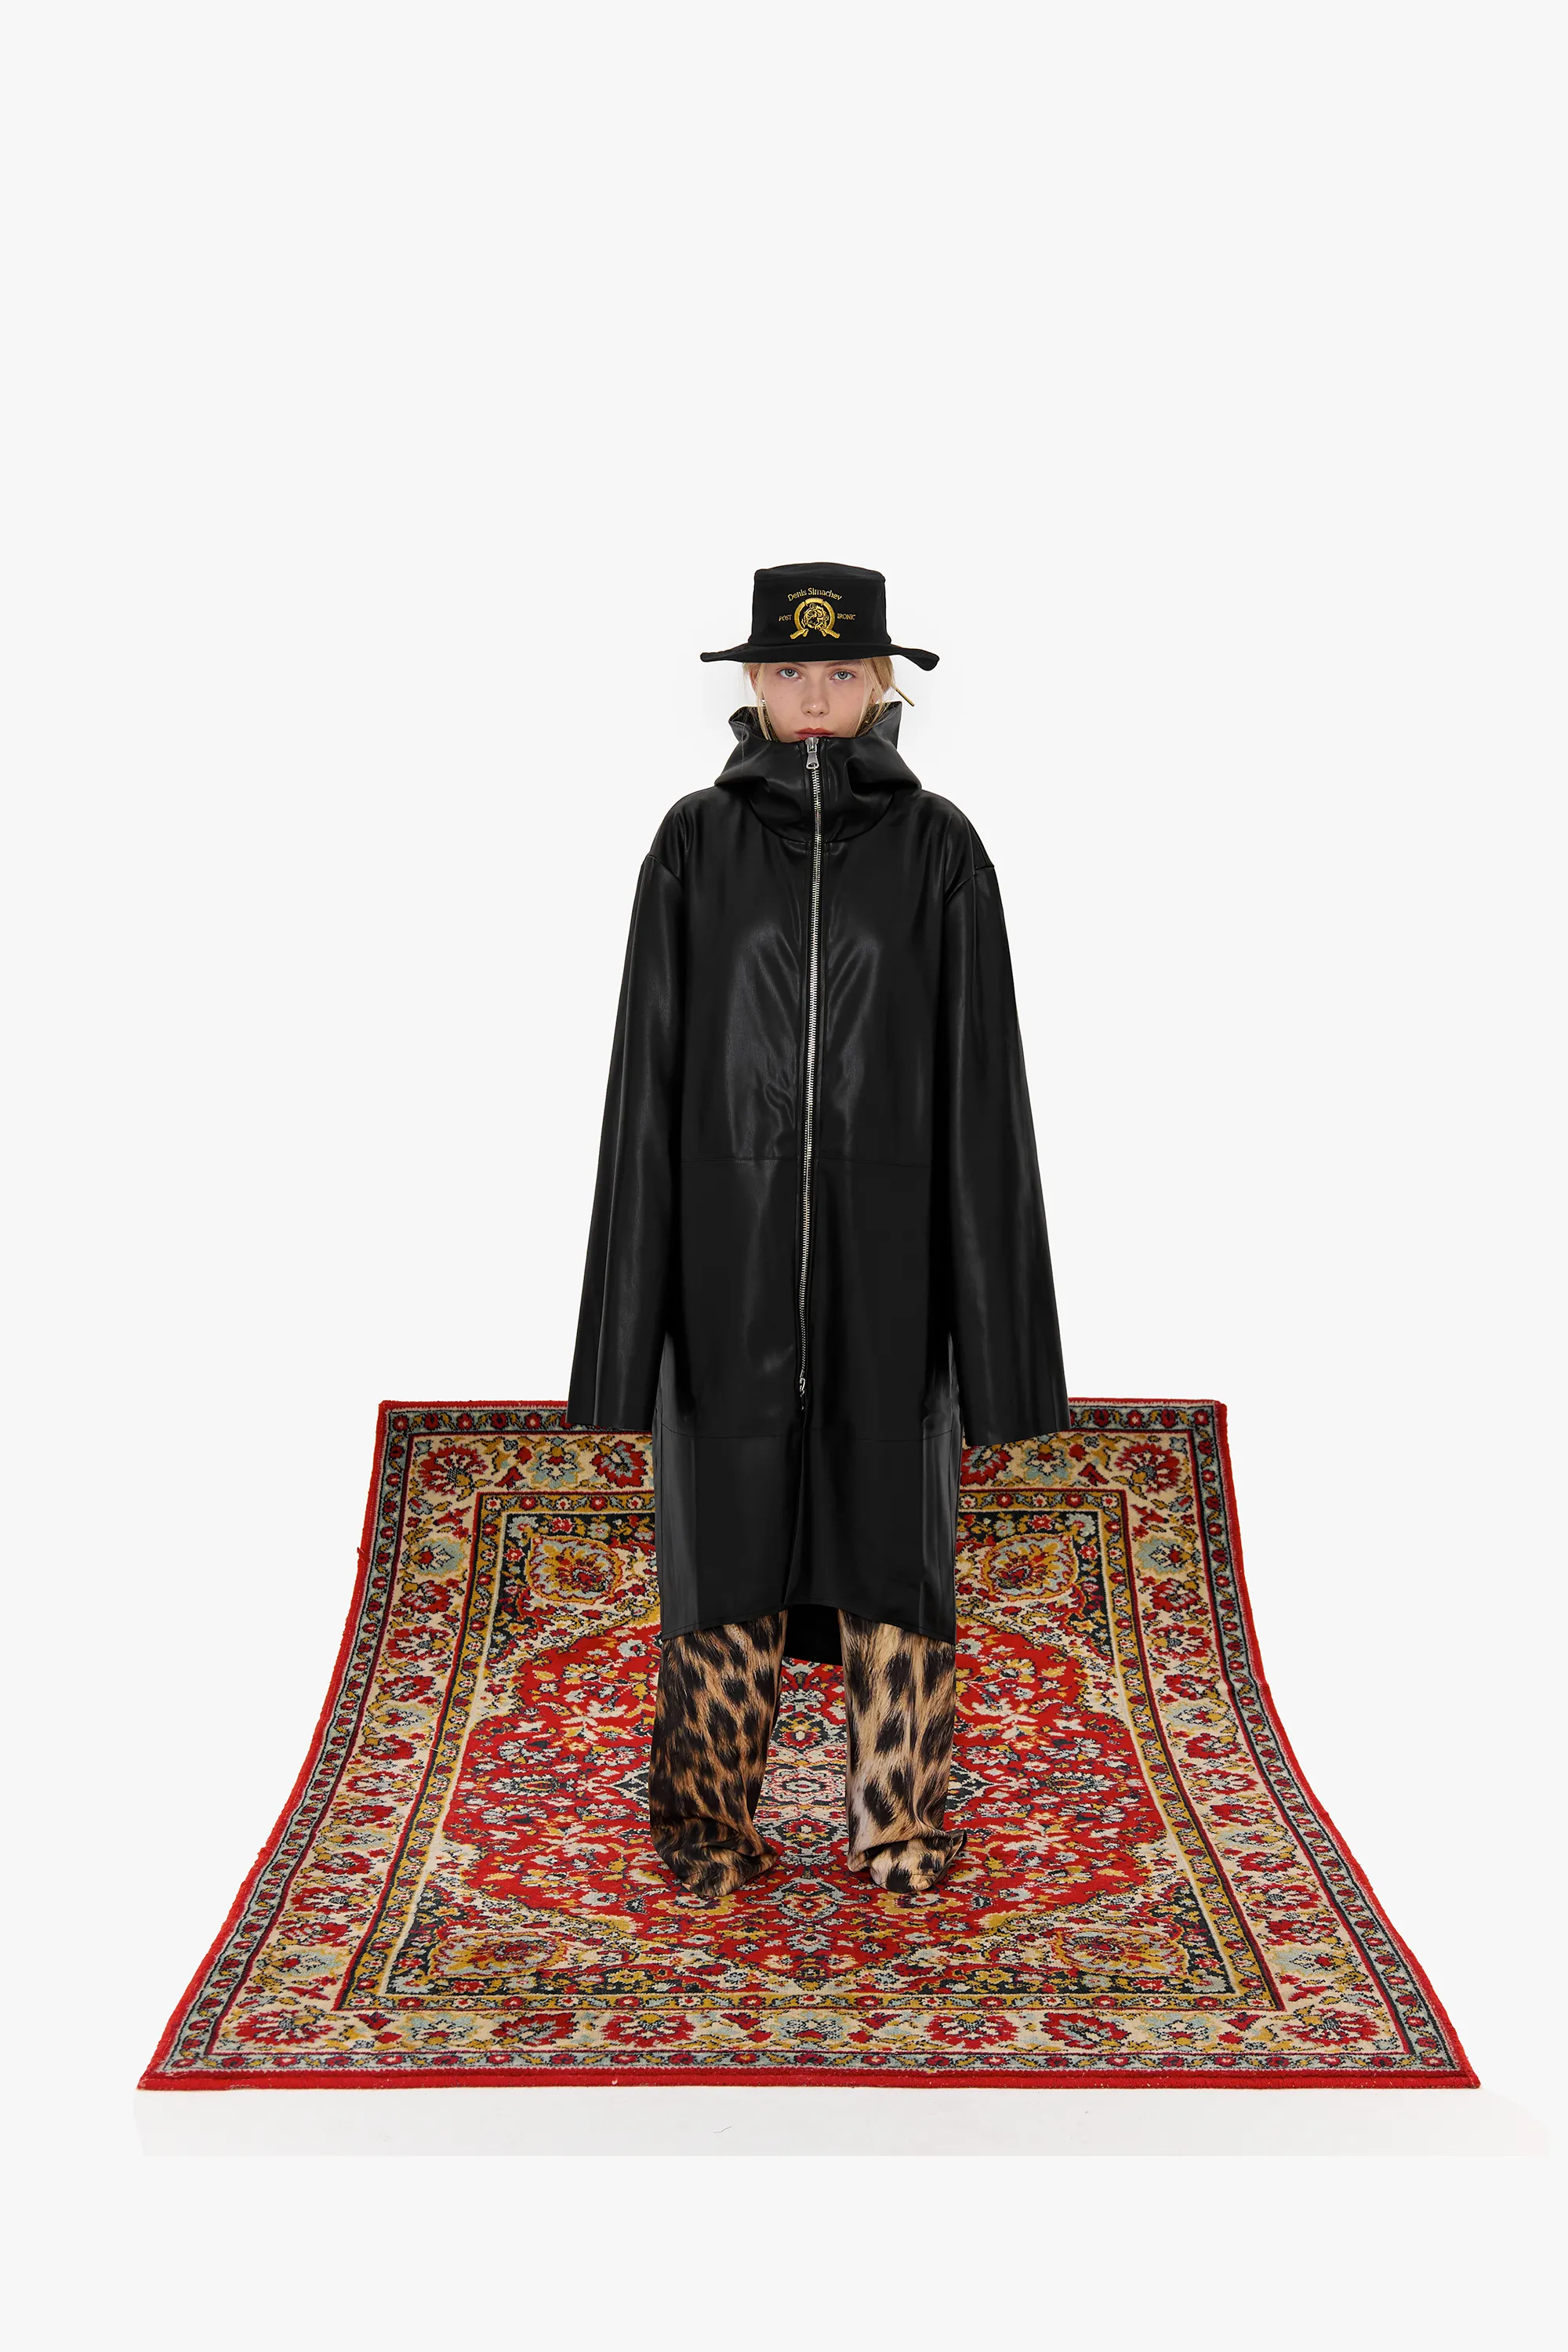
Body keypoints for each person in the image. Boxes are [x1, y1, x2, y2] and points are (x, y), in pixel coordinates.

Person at [568, 561, 1069, 1900]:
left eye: (839, 672)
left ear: (878, 683)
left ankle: (898, 1819)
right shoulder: (692, 845)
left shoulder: (940, 850)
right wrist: (623, 1338)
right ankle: (706, 1818)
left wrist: (1002, 1357)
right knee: (722, 1542)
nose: (812, 695)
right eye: (789, 670)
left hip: (891, 1274)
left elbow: (983, 1098)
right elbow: (644, 1090)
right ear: (753, 680)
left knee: (892, 1540)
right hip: (723, 1270)